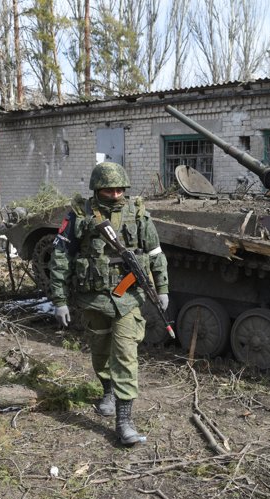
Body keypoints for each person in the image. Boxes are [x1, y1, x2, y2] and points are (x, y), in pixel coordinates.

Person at [49, 161, 169, 445]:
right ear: (96, 189)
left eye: (119, 189)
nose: (115, 195)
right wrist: (59, 300)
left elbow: (155, 252)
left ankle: (124, 421)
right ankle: (107, 391)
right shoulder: (78, 215)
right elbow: (61, 258)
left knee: (126, 354)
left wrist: (162, 287)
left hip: (128, 298)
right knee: (100, 351)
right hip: (94, 298)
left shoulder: (139, 214)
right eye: (108, 190)